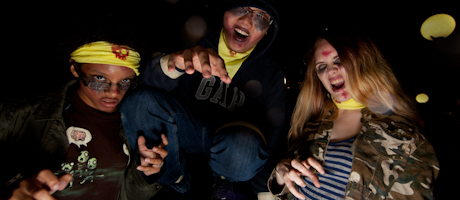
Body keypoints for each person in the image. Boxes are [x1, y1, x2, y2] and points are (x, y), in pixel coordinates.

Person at [119, 0, 285, 199]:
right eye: (241, 9)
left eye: (261, 18)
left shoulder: (271, 72)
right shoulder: (194, 36)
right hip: (183, 132)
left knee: (244, 146)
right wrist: (176, 62)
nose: (247, 21)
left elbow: (274, 135)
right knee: (138, 103)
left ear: (267, 30)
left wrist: (265, 194)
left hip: (230, 146)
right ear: (225, 11)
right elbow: (146, 87)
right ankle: (174, 177)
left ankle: (222, 180)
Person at [268, 30, 439, 199]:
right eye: (321, 66)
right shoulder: (312, 121)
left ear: (364, 62)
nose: (330, 71)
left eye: (339, 60)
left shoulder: (407, 139)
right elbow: (285, 183)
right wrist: (281, 171)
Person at [0, 41, 169, 200]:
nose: (114, 92)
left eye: (125, 81)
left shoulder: (137, 120)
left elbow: (130, 194)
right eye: (100, 79)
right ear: (75, 69)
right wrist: (11, 190)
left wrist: (146, 173)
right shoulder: (20, 115)